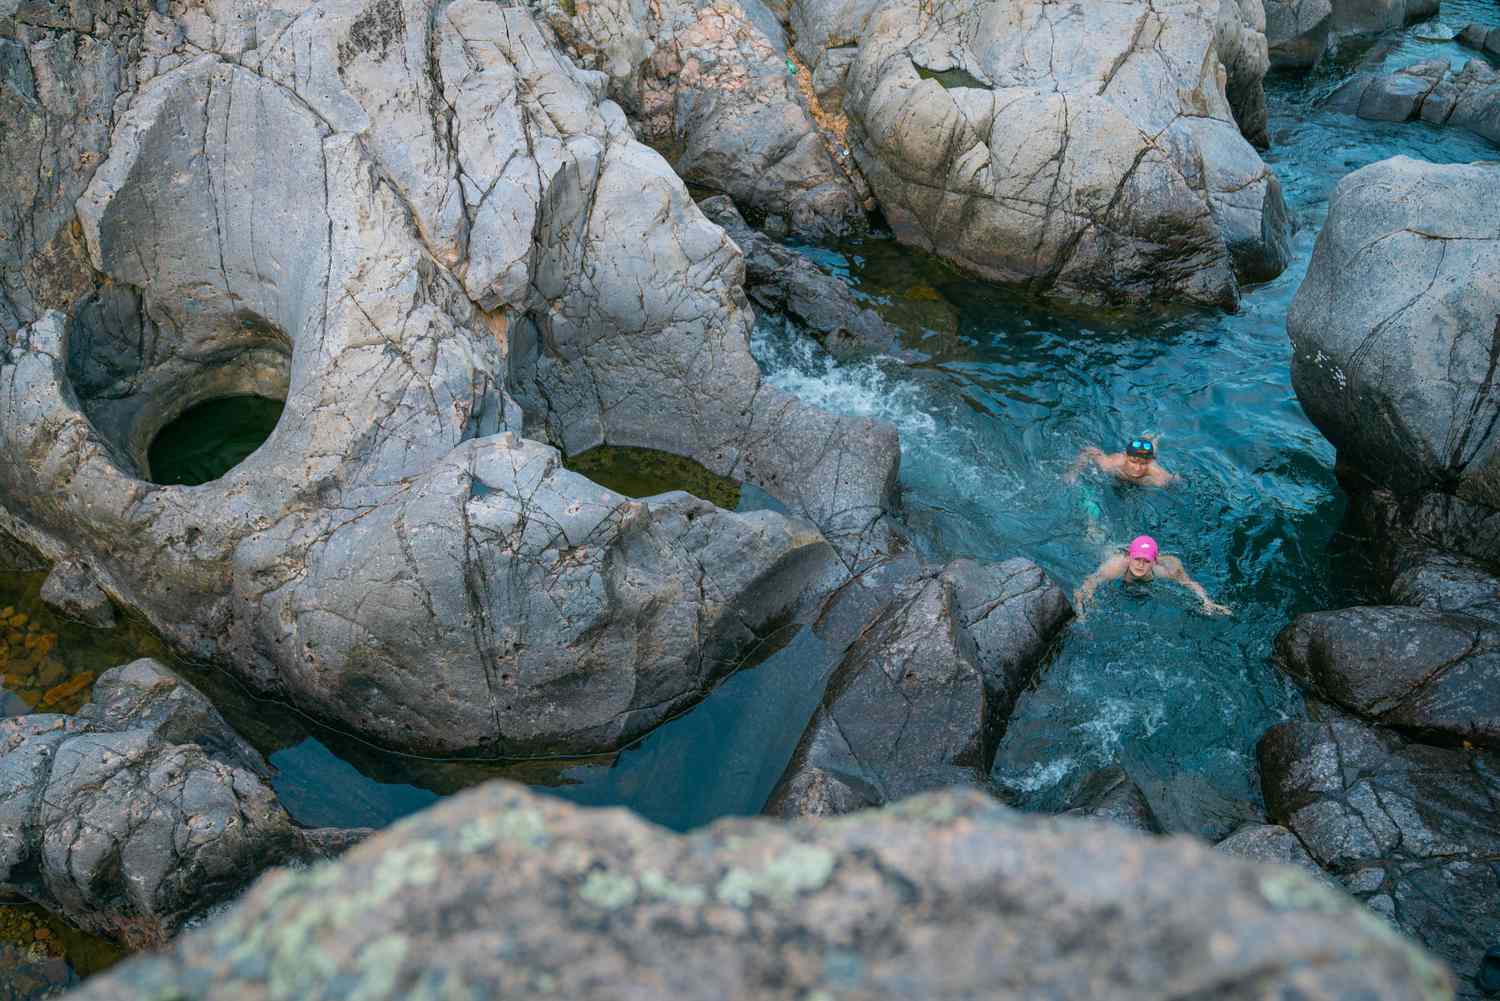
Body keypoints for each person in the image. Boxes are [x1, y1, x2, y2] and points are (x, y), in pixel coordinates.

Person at [1074, 535, 1230, 619]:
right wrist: (1084, 606)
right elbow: (1090, 582)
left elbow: (1190, 583)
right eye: (1137, 559)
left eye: (1146, 561)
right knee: (1094, 535)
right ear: (1129, 557)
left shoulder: (1165, 570)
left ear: (1154, 562)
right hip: (1107, 550)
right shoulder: (1115, 567)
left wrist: (1207, 601)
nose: (1140, 565)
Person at [1064, 436, 1178, 487]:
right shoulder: (1113, 463)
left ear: (1149, 461)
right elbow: (1090, 451)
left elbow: (1175, 480)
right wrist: (1073, 472)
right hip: (1123, 467)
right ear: (1126, 456)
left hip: (1148, 461)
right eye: (1133, 462)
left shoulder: (1158, 476)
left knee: (1152, 446)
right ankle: (1147, 437)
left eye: (1143, 464)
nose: (1137, 468)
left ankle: (1155, 438)